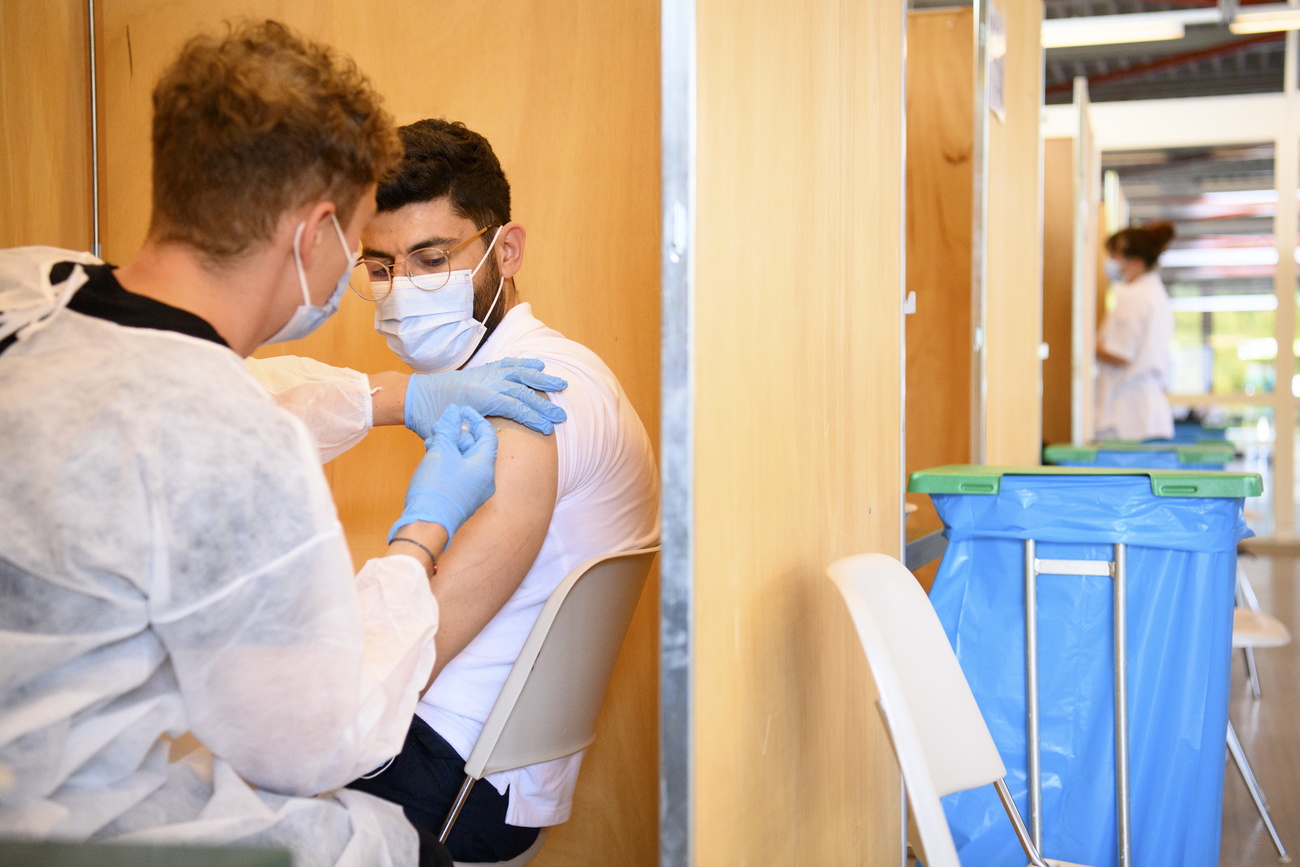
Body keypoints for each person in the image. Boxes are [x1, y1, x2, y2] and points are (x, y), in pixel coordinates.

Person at [0, 21, 523, 867]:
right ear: (315, 232)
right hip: (67, 831)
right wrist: (419, 536)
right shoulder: (229, 445)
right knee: (391, 844)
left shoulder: (30, 288)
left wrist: (394, 397)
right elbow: (317, 741)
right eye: (360, 242)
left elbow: (156, 394)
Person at [300, 118, 658, 862]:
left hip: (452, 778)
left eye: (432, 258)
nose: (404, 289)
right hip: (475, 766)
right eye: (382, 267)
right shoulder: (546, 366)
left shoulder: (529, 394)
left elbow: (418, 644)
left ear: (507, 249)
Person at [1096, 220, 1177, 442]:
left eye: (1115, 256)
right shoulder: (1154, 295)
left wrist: (1086, 346)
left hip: (1129, 416)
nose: (1111, 263)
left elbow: (1121, 354)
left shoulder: (1134, 296)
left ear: (1136, 261)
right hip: (1143, 414)